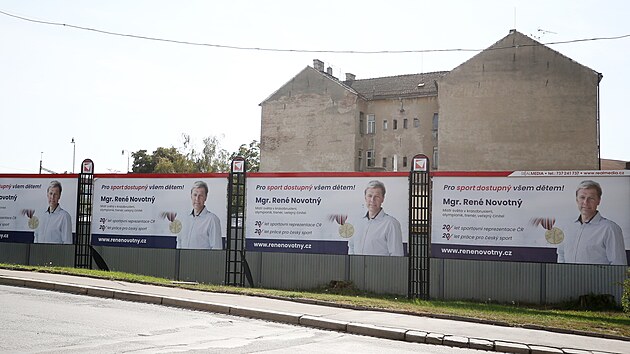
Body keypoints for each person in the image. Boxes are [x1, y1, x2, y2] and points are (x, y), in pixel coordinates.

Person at [557, 180, 626, 265]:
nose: (586, 202)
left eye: (591, 198)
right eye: (582, 197)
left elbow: (618, 264)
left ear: (598, 201)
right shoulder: (567, 227)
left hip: (598, 278)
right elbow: (561, 254)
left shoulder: (610, 229)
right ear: (577, 200)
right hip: (568, 278)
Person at [348, 180, 403, 256]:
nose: (372, 200)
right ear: (365, 198)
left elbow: (397, 255)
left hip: (380, 267)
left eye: (377, 197)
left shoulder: (391, 224)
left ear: (382, 199)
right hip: (357, 267)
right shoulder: (356, 221)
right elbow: (351, 246)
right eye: (370, 196)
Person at [177, 181, 222, 249]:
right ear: (191, 196)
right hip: (184, 259)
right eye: (195, 195)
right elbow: (179, 242)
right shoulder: (183, 218)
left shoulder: (212, 220)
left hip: (202, 260)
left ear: (205, 198)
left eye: (200, 196)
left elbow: (216, 248)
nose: (197, 199)